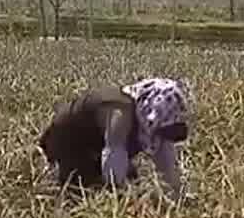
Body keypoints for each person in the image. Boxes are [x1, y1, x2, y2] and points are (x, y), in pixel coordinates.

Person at [38, 77, 193, 201]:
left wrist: (177, 197)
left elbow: (166, 161)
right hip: (69, 146)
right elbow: (113, 154)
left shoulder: (149, 117)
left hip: (96, 149)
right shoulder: (119, 111)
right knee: (82, 195)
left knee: (131, 181)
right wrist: (119, 199)